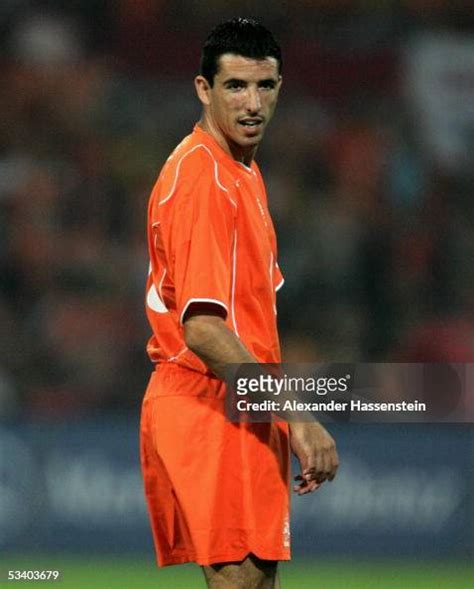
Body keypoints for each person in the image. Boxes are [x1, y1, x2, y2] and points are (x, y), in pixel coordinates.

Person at [140, 17, 339, 589]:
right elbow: (203, 327)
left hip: (237, 399)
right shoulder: (205, 178)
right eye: (234, 86)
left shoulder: (241, 171)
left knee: (255, 580)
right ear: (203, 89)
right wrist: (296, 414)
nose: (252, 103)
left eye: (265, 86)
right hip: (206, 398)